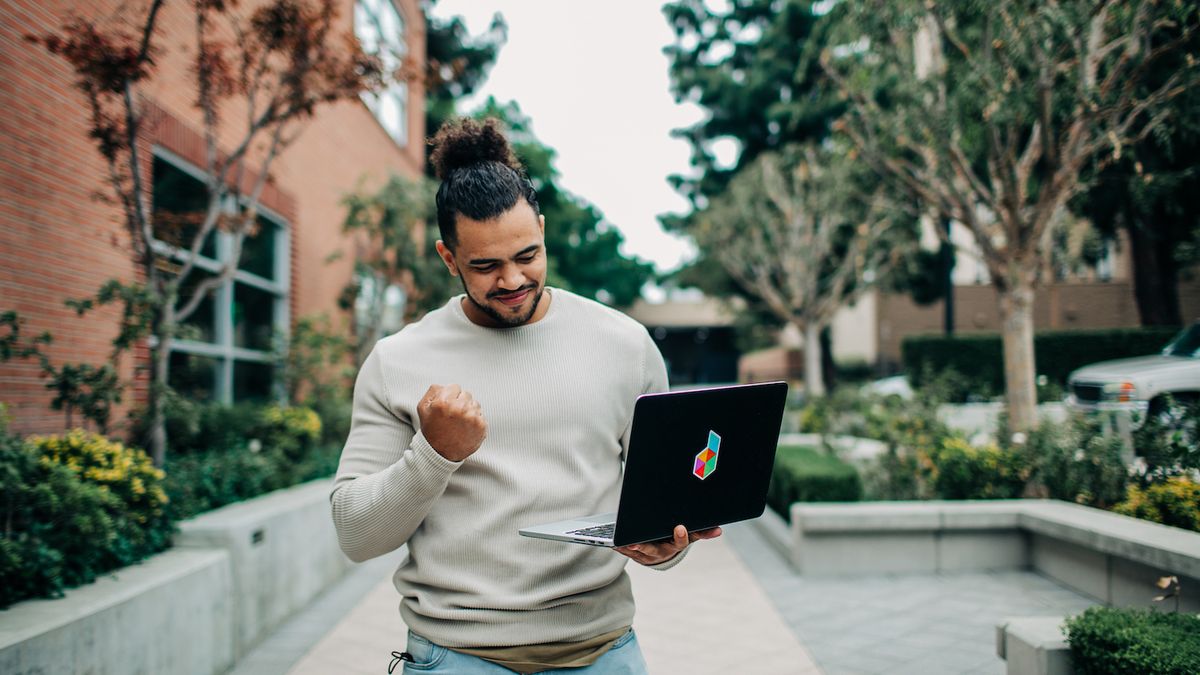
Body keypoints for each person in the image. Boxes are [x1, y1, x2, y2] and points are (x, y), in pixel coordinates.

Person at [330, 117, 720, 674]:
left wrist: (668, 548)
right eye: (485, 266)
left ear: (541, 229)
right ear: (448, 258)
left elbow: (660, 506)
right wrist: (434, 453)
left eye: (527, 255)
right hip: (456, 657)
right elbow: (356, 534)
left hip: (602, 652)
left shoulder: (625, 346)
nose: (512, 280)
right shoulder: (398, 361)